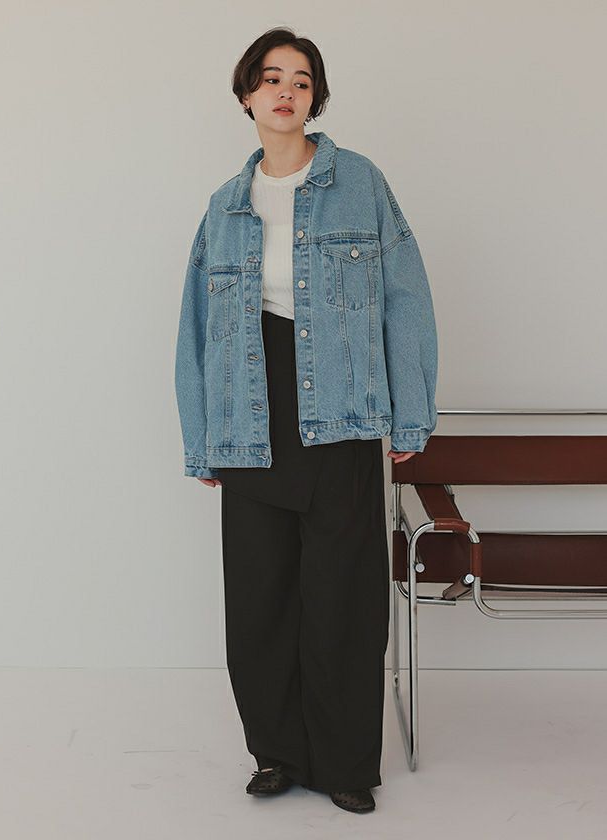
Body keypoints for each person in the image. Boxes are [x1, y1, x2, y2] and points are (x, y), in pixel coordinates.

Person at [174, 26, 438, 815]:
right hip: (251, 412)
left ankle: (346, 762)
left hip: (342, 409)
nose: (285, 91)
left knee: (343, 597)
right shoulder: (224, 205)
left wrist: (410, 414)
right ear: (247, 94)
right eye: (270, 78)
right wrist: (203, 437)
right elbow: (197, 328)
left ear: (314, 97)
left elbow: (405, 296)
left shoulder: (359, 182)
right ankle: (277, 754)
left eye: (300, 79)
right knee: (260, 598)